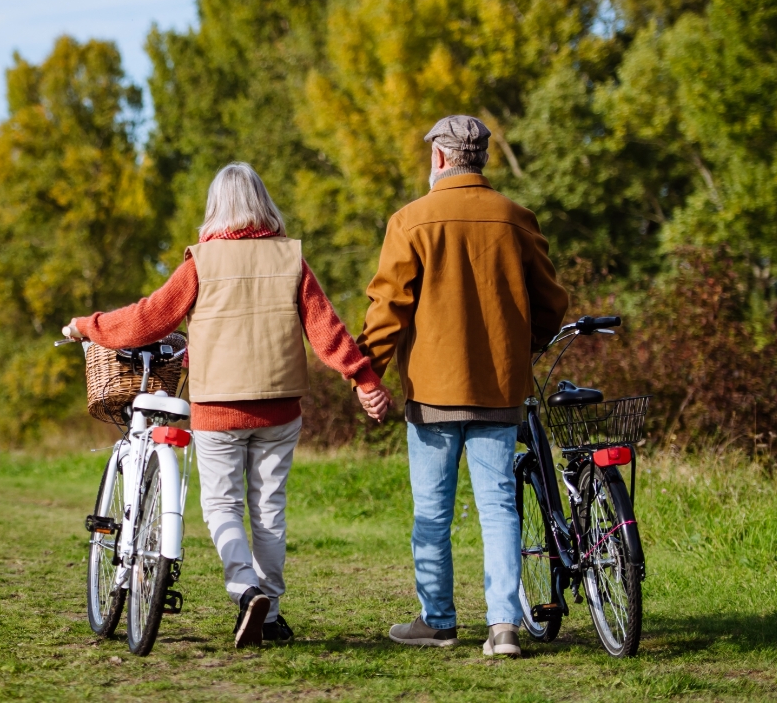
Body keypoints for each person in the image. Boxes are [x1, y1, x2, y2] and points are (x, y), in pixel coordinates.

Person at [63, 163, 388, 648]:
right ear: (263, 204)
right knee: (269, 510)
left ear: (217, 207)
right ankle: (271, 614)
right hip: (279, 409)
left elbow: (147, 320)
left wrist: (87, 325)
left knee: (221, 506)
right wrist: (362, 377)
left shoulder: (202, 262)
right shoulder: (290, 259)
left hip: (218, 410)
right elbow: (327, 329)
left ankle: (245, 589)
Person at [355, 115, 568, 658]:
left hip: (432, 392)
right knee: (499, 506)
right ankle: (503, 628)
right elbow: (551, 305)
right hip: (500, 388)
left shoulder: (411, 221)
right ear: (481, 160)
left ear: (440, 159)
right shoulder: (517, 219)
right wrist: (526, 345)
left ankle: (440, 621)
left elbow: (389, 309)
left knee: (432, 510)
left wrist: (368, 369)